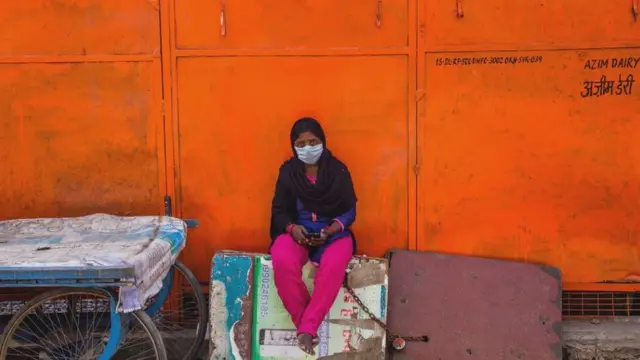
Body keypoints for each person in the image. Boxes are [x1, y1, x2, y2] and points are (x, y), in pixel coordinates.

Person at [269, 117, 357, 355]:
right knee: (282, 259)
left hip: (333, 234)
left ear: (323, 141)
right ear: (293, 146)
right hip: (299, 232)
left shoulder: (338, 171)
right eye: (301, 143)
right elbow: (279, 210)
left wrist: (330, 230)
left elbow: (350, 210)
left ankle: (307, 330)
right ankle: (306, 327)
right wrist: (292, 229)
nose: (308, 148)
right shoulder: (288, 173)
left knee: (333, 267)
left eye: (313, 141)